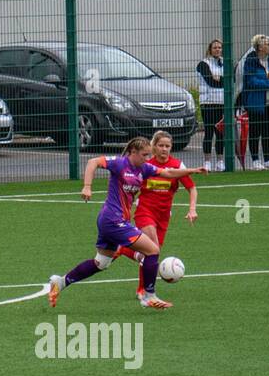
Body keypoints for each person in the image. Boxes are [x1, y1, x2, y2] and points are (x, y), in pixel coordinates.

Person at [44, 136, 205, 309]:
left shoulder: (144, 168)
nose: (146, 158)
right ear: (133, 152)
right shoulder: (120, 164)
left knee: (101, 263)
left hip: (111, 221)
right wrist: (87, 186)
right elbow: (93, 162)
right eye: (144, 155)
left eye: (147, 155)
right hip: (113, 220)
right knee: (152, 250)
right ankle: (148, 296)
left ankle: (60, 282)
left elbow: (168, 173)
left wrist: (191, 170)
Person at [113, 131, 198, 303]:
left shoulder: (176, 165)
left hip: (163, 216)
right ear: (154, 146)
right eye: (160, 145)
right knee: (152, 247)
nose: (164, 149)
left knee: (151, 254)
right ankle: (145, 291)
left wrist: (192, 209)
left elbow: (192, 188)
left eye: (167, 146)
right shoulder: (147, 164)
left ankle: (124, 250)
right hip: (145, 212)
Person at [241, 34, 269, 169]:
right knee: (255, 130)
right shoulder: (251, 61)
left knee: (267, 130)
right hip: (256, 102)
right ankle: (255, 160)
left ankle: (268, 159)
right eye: (267, 44)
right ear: (259, 47)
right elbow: (251, 81)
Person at [196, 39, 226, 172]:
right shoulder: (203, 64)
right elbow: (210, 81)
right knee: (209, 132)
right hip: (208, 102)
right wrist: (221, 80)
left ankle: (220, 161)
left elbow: (231, 79)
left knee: (221, 133)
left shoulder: (225, 63)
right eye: (215, 47)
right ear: (210, 49)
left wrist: (219, 78)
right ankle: (207, 161)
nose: (217, 50)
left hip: (222, 102)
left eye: (219, 47)